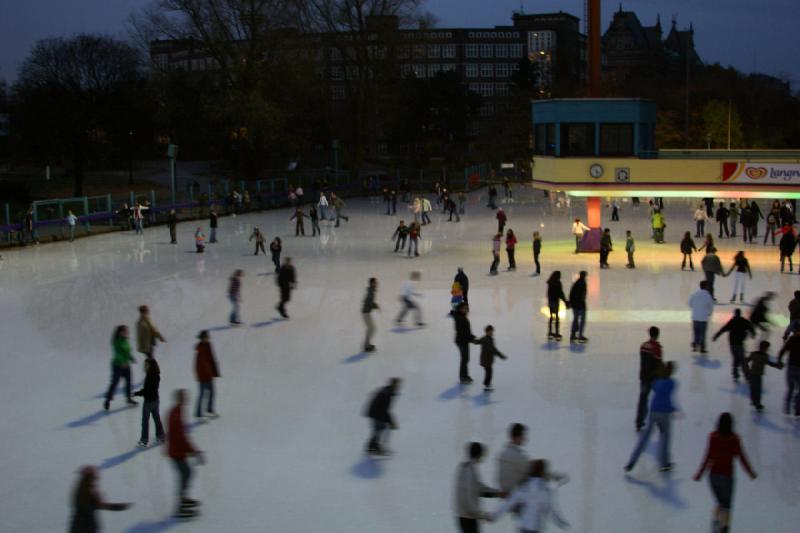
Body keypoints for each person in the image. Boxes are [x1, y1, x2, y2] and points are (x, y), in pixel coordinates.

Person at [693, 413, 757, 533]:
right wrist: (750, 472)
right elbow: (742, 457)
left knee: (719, 502)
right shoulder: (734, 439)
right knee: (727, 506)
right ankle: (724, 528)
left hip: (713, 476)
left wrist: (699, 474)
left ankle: (716, 524)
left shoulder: (713, 437)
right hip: (727, 477)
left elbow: (708, 457)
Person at [625, 361, 679, 473]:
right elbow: (667, 397)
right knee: (665, 437)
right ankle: (664, 463)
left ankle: (631, 462)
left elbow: (655, 389)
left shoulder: (657, 382)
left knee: (644, 438)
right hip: (664, 413)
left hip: (654, 411)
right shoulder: (672, 383)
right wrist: (673, 408)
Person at [490, 459, 570, 532]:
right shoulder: (545, 490)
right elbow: (551, 511)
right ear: (543, 472)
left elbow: (508, 503)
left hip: (524, 528)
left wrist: (494, 516)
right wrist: (561, 523)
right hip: (537, 528)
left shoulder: (524, 487)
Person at [167, 389, 204, 518]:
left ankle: (183, 499)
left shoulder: (176, 411)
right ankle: (180, 508)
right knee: (185, 474)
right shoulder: (176, 415)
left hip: (177, 451)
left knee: (186, 474)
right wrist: (195, 452)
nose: (187, 398)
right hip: (176, 452)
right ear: (180, 399)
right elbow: (181, 438)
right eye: (185, 397)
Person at [454, 442, 502, 533]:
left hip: (462, 516)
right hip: (469, 518)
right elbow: (470, 497)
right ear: (479, 454)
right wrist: (482, 515)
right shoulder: (471, 471)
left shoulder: (463, 467)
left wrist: (497, 493)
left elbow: (478, 488)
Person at [68, 466, 131, 533]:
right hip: (86, 528)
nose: (96, 481)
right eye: (94, 478)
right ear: (90, 479)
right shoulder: (87, 494)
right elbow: (101, 505)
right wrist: (120, 507)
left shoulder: (81, 491)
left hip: (80, 527)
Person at [712, 308, 756, 383]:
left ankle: (735, 374)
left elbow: (723, 329)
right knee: (742, 360)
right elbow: (750, 327)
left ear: (735, 314)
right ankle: (747, 376)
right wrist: (753, 334)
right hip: (739, 343)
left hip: (732, 343)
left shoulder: (732, 321)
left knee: (736, 358)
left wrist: (716, 336)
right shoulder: (744, 321)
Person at [636, 326, 664, 431]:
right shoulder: (657, 348)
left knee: (643, 399)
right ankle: (660, 422)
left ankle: (639, 422)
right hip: (654, 378)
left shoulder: (643, 346)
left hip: (644, 377)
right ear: (657, 335)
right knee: (659, 400)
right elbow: (659, 364)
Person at [364, 377, 401, 455]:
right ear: (393, 385)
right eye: (397, 385)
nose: (398, 387)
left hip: (376, 412)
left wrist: (390, 422)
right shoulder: (387, 394)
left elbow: (385, 410)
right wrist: (391, 422)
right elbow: (385, 410)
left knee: (379, 429)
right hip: (376, 413)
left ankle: (372, 447)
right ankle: (373, 447)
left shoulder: (388, 392)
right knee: (379, 429)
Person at [104, 326, 136, 411]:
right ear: (120, 332)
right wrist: (122, 362)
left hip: (126, 365)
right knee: (115, 382)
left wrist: (131, 358)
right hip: (117, 365)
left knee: (129, 381)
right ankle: (108, 400)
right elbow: (117, 354)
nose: (127, 333)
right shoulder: (116, 341)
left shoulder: (125, 340)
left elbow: (127, 352)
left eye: (127, 331)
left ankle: (129, 398)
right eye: (125, 331)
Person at [134, 357, 165, 447]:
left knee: (145, 421)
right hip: (156, 400)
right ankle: (161, 436)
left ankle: (144, 440)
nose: (144, 366)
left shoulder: (150, 375)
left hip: (148, 402)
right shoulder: (157, 375)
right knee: (157, 418)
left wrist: (137, 393)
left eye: (146, 365)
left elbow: (147, 390)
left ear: (150, 366)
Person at [745, 340, 781, 412]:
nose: (767, 349)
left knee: (753, 388)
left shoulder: (754, 354)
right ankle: (757, 404)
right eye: (767, 348)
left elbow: (746, 361)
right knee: (757, 390)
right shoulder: (764, 356)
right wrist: (777, 365)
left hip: (752, 374)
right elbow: (770, 363)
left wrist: (747, 370)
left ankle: (754, 401)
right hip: (757, 376)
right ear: (765, 348)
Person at [496, 423, 530, 493]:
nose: (525, 439)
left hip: (506, 497)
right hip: (517, 497)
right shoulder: (518, 456)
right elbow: (531, 469)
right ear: (518, 437)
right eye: (523, 435)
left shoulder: (502, 454)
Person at [194, 330, 220, 418]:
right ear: (202, 338)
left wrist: (215, 372)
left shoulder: (208, 346)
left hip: (209, 375)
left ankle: (209, 409)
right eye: (205, 337)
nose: (207, 338)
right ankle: (198, 413)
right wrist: (203, 375)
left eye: (207, 337)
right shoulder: (200, 348)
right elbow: (199, 364)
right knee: (202, 394)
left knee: (212, 392)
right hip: (203, 376)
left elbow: (212, 359)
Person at [453, 302, 478, 384]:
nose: (466, 309)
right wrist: (471, 338)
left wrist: (471, 337)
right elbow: (462, 332)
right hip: (462, 341)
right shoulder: (460, 318)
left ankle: (464, 376)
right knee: (465, 359)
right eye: (465, 308)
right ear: (460, 309)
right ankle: (463, 377)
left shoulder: (461, 316)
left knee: (465, 359)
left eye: (467, 308)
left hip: (462, 340)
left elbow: (466, 331)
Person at [777, 329, 800, 417]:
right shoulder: (792, 339)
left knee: (791, 388)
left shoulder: (792, 339)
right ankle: (797, 408)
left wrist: (779, 361)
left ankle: (787, 407)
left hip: (791, 367)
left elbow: (782, 351)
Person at [477, 325, 507, 392]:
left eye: (492, 331)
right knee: (489, 372)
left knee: (488, 372)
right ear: (487, 332)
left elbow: (477, 341)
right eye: (490, 331)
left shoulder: (486, 338)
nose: (491, 332)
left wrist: (472, 339)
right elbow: (493, 350)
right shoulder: (487, 340)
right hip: (486, 360)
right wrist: (501, 356)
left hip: (486, 359)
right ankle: (487, 385)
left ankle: (486, 384)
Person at [689, 280, 715, 354]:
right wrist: (708, 313)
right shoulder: (707, 296)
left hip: (695, 317)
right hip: (703, 318)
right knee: (702, 333)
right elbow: (711, 306)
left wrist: (695, 308)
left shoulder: (694, 294)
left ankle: (695, 344)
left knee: (696, 332)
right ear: (706, 286)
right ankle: (702, 347)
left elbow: (690, 303)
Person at [546, 271, 569, 341]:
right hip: (555, 301)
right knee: (556, 317)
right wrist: (565, 301)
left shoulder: (550, 282)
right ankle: (556, 332)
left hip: (550, 301)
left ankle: (550, 332)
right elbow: (560, 293)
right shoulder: (558, 283)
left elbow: (548, 293)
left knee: (551, 316)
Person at [568, 271, 588, 343]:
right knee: (582, 320)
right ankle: (580, 335)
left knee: (575, 320)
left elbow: (571, 293)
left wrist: (570, 303)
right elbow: (583, 295)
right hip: (580, 305)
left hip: (575, 305)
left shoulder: (576, 283)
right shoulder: (583, 284)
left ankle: (573, 334)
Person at [362, 278, 380, 352]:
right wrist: (375, 306)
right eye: (375, 282)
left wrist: (375, 305)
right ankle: (366, 346)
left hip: (366, 312)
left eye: (376, 282)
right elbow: (367, 301)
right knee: (371, 328)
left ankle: (367, 344)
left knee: (371, 328)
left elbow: (367, 301)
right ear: (372, 283)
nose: (377, 283)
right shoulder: (371, 291)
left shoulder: (371, 291)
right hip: (365, 312)